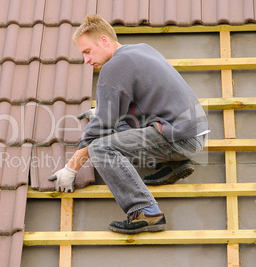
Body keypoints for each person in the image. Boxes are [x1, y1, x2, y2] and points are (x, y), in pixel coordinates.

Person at [48, 14, 209, 234]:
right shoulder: (141, 49)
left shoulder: (114, 66)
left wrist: (71, 168)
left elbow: (103, 126)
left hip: (180, 138)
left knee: (101, 147)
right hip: (194, 132)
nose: (86, 60)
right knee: (117, 128)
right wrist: (104, 108)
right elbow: (147, 98)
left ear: (104, 41)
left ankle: (146, 212)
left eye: (87, 51)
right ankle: (172, 165)